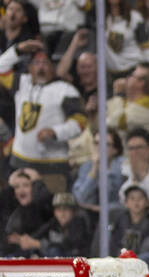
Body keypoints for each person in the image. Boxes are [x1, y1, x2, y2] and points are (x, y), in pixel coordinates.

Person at [0, 43, 86, 193]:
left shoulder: (65, 90)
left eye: (45, 63)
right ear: (29, 68)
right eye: (36, 63)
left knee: (50, 210)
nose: (40, 67)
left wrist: (56, 132)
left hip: (52, 168)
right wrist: (18, 49)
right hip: (20, 163)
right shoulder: (22, 83)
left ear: (52, 67)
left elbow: (80, 121)